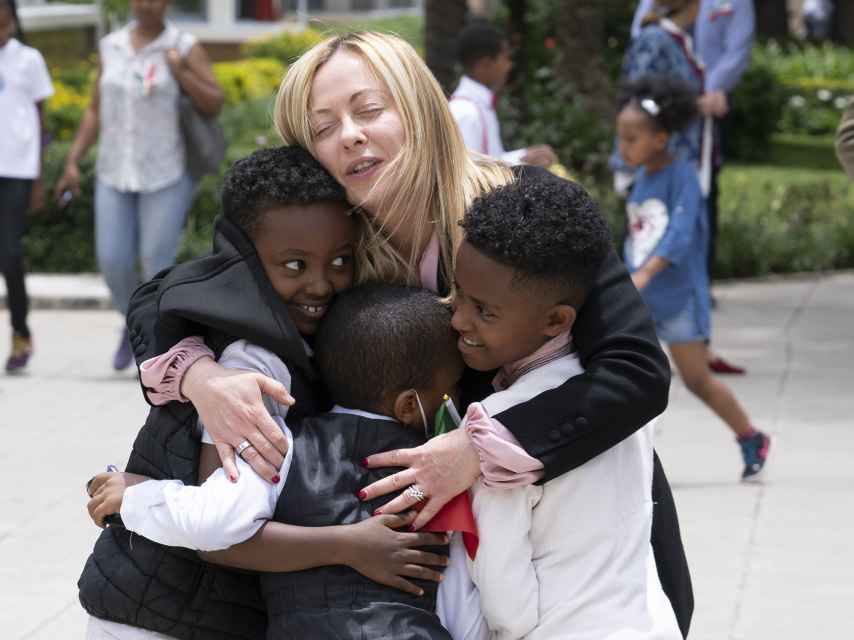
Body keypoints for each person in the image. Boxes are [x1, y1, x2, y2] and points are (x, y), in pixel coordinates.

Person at [125, 32, 694, 637]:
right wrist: (202, 376)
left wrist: (476, 449)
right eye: (323, 128)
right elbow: (165, 295)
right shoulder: (326, 249)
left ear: (419, 107)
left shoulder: (527, 210)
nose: (349, 135)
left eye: (369, 111)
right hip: (420, 574)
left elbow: (636, 372)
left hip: (584, 535)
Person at [80, 147, 450, 639]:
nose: (321, 284)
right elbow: (221, 533)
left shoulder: (281, 337)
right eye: (294, 265)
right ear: (244, 259)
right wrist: (349, 545)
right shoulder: (254, 369)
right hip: (161, 618)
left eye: (340, 260)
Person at [89, 284, 487, 640]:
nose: (452, 401)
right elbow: (461, 602)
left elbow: (212, 521)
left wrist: (136, 496)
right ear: (408, 405)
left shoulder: (280, 444)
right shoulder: (436, 475)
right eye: (449, 391)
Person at [452, 166, 681, 639]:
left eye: (483, 310)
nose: (457, 320)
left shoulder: (497, 430)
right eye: (456, 296)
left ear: (556, 320)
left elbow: (508, 609)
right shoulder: (618, 408)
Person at [54, 0, 224, 371]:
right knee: (113, 261)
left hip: (167, 171)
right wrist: (72, 159)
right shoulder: (110, 45)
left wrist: (181, 73)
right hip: (114, 169)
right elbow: (95, 109)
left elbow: (214, 102)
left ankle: (155, 343)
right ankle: (134, 324)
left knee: (154, 261)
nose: (146, 4)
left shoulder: (184, 45)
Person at [616, 75, 770, 482]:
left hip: (679, 298)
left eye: (632, 138)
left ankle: (751, 436)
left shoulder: (682, 177)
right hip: (642, 298)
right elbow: (638, 237)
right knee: (634, 376)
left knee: (698, 380)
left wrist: (646, 273)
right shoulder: (642, 176)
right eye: (621, 137)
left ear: (661, 138)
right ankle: (633, 458)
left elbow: (680, 234)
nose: (622, 147)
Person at [625, 0, 751, 375]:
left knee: (688, 251)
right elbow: (642, 105)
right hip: (665, 170)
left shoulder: (676, 40)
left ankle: (692, 348)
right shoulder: (656, 40)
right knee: (664, 245)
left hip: (684, 164)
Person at [0, 0, 53, 372]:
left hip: (16, 169)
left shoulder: (28, 58)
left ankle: (20, 331)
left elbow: (40, 120)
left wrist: (38, 178)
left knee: (9, 253)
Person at [449, 22, 556, 167]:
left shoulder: (479, 106)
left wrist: (524, 157)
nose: (509, 65)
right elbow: (468, 173)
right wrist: (521, 161)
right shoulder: (466, 112)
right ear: (485, 64)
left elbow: (490, 158)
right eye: (505, 58)